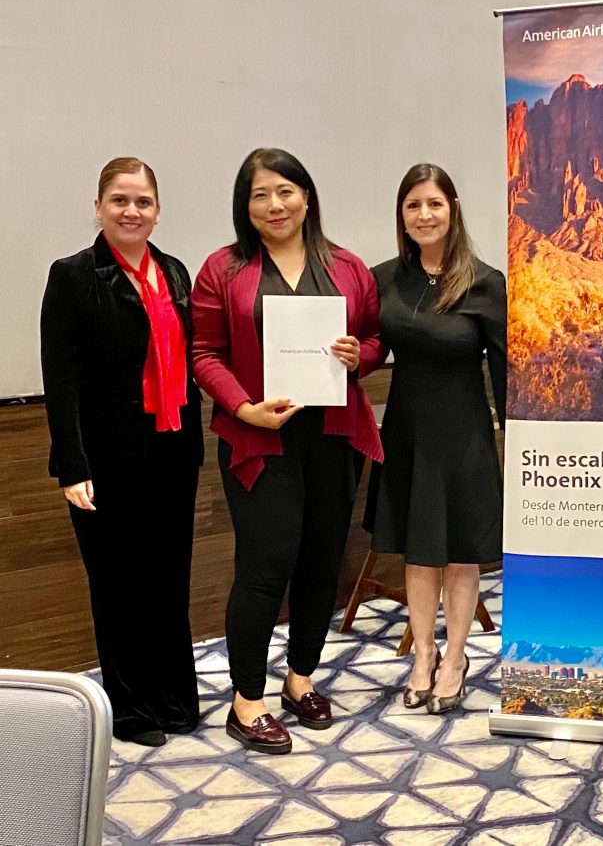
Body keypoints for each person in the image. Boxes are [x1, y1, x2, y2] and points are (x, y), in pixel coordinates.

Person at [191, 148, 384, 754]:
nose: (274, 205)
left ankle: (300, 680)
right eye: (260, 194)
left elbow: (374, 340)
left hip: (332, 436)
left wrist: (359, 357)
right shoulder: (222, 269)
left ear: (306, 197)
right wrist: (242, 406)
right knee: (265, 565)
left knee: (322, 562)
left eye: (285, 191)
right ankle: (246, 702)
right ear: (244, 205)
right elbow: (203, 353)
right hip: (259, 437)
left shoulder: (348, 267)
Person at [40, 157, 204, 747]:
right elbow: (60, 380)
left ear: (157, 211)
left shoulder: (175, 272)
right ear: (99, 207)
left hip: (173, 451)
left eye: (143, 202)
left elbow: (190, 359)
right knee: (119, 585)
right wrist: (72, 465)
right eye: (119, 200)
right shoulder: (72, 276)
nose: (131, 211)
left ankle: (175, 700)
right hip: (105, 460)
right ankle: (133, 712)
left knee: (168, 580)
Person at [366, 163, 506, 715]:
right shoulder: (383, 278)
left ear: (453, 210)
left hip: (465, 433)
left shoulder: (486, 282)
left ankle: (455, 659)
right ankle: (422, 655)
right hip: (406, 431)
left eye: (434, 204)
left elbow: (505, 368)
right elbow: (372, 348)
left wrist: (518, 436)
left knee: (460, 553)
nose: (424, 215)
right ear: (401, 215)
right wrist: (353, 356)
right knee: (420, 551)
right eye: (413, 206)